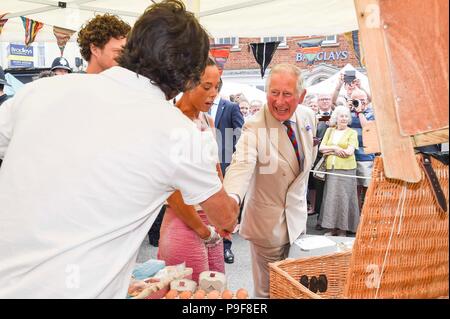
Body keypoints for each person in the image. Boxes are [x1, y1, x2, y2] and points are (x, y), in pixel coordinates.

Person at [0, 0, 238, 298]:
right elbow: (226, 218)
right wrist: (237, 192)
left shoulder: (39, 92)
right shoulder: (177, 132)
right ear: (189, 77)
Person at [223, 63, 318, 298]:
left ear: (301, 95)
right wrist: (230, 201)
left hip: (297, 222)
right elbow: (240, 165)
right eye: (274, 93)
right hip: (267, 227)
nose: (280, 101)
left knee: (294, 289)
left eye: (287, 94)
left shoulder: (308, 117)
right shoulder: (254, 127)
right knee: (268, 293)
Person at [158, 58, 227, 282]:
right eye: (207, 87)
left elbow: (216, 170)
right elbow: (171, 189)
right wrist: (202, 230)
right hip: (184, 220)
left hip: (210, 221)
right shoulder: (168, 122)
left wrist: (223, 214)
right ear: (186, 83)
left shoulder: (207, 119)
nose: (213, 93)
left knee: (217, 291)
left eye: (217, 87)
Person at [208, 78, 244, 264]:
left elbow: (240, 134)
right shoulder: (197, 107)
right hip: (202, 166)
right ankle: (207, 245)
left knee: (224, 207)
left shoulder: (230, 107)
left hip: (224, 165)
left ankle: (226, 247)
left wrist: (233, 160)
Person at [317, 105, 359, 236]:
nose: (344, 118)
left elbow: (349, 152)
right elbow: (321, 148)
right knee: (331, 198)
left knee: (345, 199)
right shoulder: (330, 131)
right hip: (332, 169)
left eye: (346, 116)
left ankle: (343, 230)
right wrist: (335, 149)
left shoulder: (352, 133)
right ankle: (332, 228)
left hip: (347, 170)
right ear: (336, 117)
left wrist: (330, 150)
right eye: (342, 116)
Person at [349, 88, 375, 210]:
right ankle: (356, 218)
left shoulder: (371, 113)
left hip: (366, 156)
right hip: (350, 157)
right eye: (356, 100)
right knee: (354, 190)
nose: (360, 102)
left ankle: (366, 214)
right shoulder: (348, 113)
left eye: (363, 100)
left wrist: (359, 113)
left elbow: (367, 128)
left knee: (367, 188)